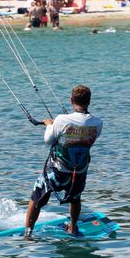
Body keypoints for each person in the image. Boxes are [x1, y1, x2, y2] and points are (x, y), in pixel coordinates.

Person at [25, 85, 103, 237]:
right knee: (75, 198)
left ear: (71, 100)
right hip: (79, 171)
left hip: (58, 171)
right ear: (89, 101)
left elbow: (48, 140)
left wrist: (49, 125)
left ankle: (28, 234)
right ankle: (73, 228)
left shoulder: (61, 120)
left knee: (37, 194)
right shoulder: (98, 123)